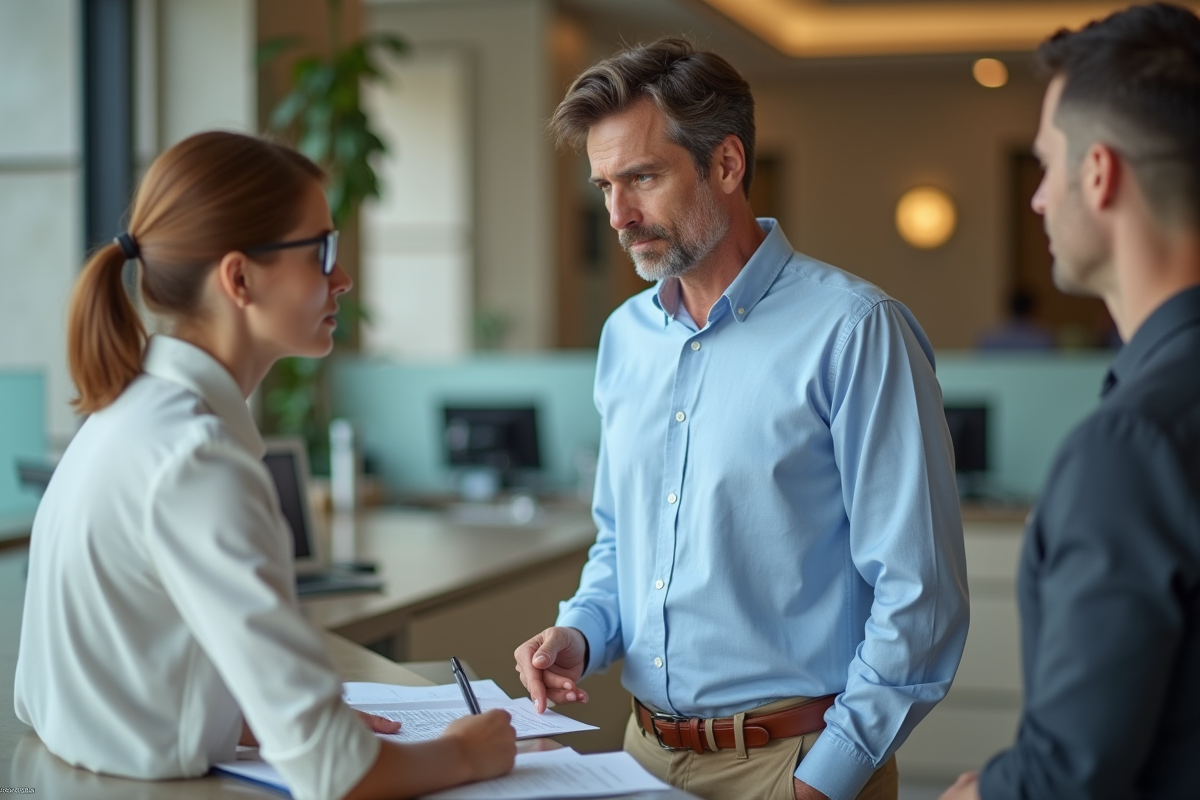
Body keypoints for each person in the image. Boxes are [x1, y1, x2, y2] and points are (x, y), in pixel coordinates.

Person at [513, 39, 969, 800]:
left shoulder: (855, 331)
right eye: (603, 186)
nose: (618, 216)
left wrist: (825, 778)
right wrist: (581, 631)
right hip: (640, 756)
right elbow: (625, 542)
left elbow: (920, 597)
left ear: (726, 165)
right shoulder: (624, 338)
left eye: (642, 179)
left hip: (793, 765)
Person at [13, 131, 516, 800]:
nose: (344, 278)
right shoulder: (198, 459)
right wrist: (467, 753)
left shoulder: (125, 417)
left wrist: (251, 716)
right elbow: (337, 774)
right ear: (240, 278)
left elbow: (82, 685)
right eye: (321, 252)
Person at [940, 5, 1200, 800]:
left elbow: (1069, 776)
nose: (1038, 200)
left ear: (1100, 172)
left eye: (1046, 165)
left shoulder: (1131, 445)